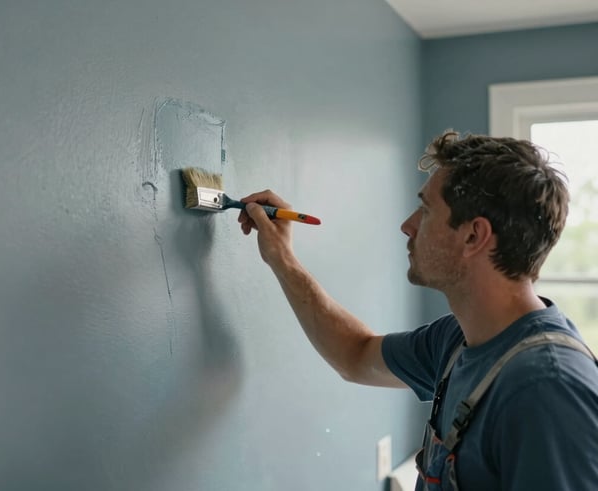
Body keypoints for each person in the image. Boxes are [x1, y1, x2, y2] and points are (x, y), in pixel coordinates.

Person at [237, 130, 598, 490]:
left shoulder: (548, 389)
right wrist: (283, 259)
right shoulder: (456, 340)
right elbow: (355, 354)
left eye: (425, 210)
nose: (407, 226)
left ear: (474, 236)